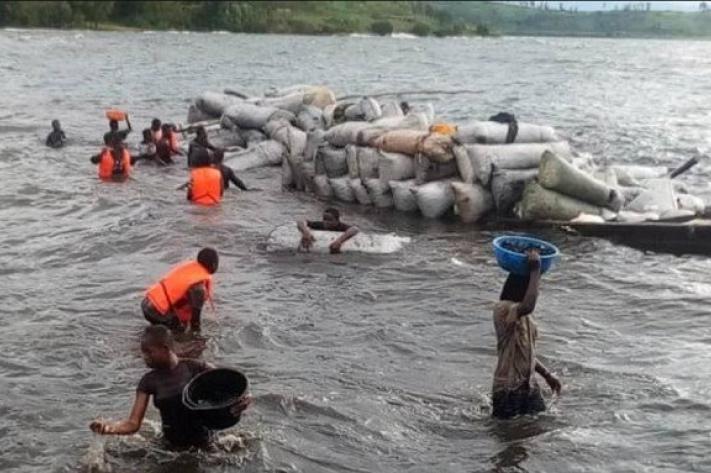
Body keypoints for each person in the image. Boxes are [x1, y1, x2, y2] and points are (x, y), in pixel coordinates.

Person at [89, 325, 252, 450]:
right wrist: (109, 428)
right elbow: (133, 423)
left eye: (148, 352)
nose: (144, 358)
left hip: (206, 444)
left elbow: (231, 386)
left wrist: (243, 401)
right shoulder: (148, 381)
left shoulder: (196, 367)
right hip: (170, 447)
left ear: (165, 349)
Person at [491, 250, 562, 419]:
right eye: (532, 289)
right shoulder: (503, 309)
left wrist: (547, 375)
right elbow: (529, 305)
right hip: (508, 389)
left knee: (538, 432)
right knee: (509, 438)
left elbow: (526, 352)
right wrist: (535, 270)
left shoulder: (526, 318)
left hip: (528, 386)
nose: (536, 293)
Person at [142, 248, 219, 333]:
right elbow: (195, 322)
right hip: (156, 311)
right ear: (214, 265)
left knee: (167, 327)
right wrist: (198, 338)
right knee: (180, 332)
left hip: (147, 302)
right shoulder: (199, 289)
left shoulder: (190, 270)